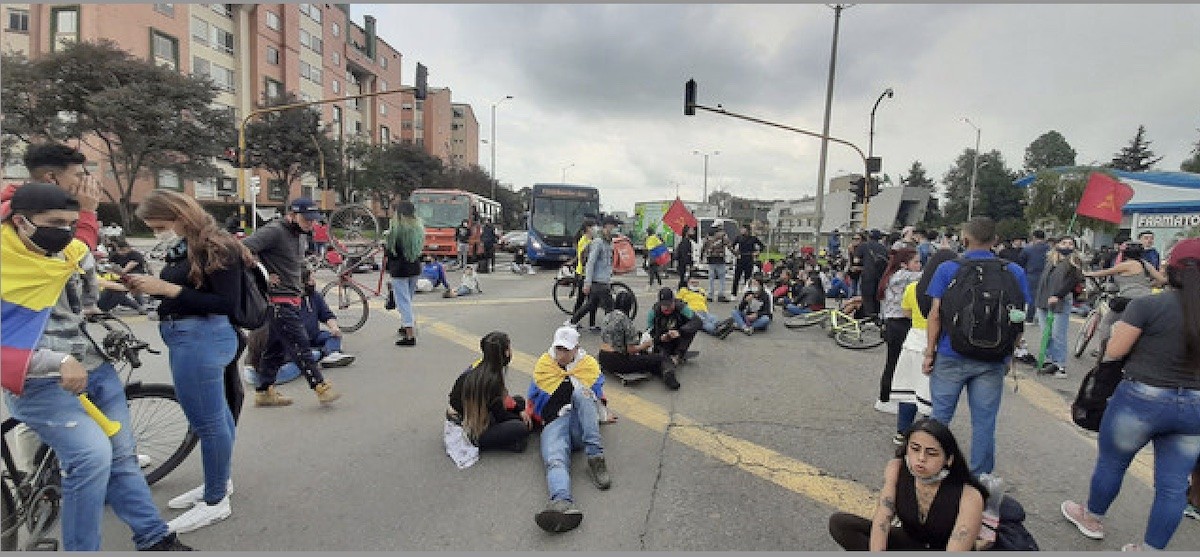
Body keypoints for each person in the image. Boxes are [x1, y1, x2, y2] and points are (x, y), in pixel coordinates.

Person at [1, 183, 192, 550]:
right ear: (22, 222)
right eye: (55, 222)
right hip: (40, 380)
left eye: (73, 222)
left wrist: (107, 296)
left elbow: (85, 303)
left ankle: (154, 537)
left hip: (93, 367)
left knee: (121, 457)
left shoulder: (74, 252)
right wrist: (58, 360)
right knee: (91, 457)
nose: (66, 231)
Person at [124, 190, 255, 533]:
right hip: (193, 337)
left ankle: (215, 501)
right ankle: (219, 484)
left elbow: (225, 303)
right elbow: (191, 288)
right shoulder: (189, 244)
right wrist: (149, 288)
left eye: (160, 225)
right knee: (217, 418)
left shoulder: (218, 246)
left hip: (202, 339)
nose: (157, 233)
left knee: (209, 423)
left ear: (180, 216)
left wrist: (168, 291)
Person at [1060, 237, 1200, 551]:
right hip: (1194, 408)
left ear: (1172, 270)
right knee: (1173, 487)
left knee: (1112, 463)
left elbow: (1113, 352)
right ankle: (1152, 550)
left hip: (1141, 400)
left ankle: (1091, 518)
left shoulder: (1149, 304)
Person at [923, 217, 1031, 478]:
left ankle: (931, 471)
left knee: (939, 419)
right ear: (995, 241)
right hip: (993, 359)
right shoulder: (1013, 271)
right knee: (984, 423)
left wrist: (929, 353)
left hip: (951, 353)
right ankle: (979, 480)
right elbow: (1018, 317)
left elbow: (935, 314)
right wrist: (1009, 354)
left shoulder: (949, 268)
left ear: (964, 238)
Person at [828, 418, 987, 551]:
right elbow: (882, 519)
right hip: (911, 542)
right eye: (915, 449)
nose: (921, 458)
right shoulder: (896, 468)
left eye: (931, 453)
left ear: (949, 459)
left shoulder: (969, 495)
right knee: (841, 524)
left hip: (944, 548)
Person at [243, 197, 340, 406]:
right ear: (292, 215)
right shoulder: (274, 231)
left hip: (292, 297)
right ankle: (320, 387)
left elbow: (295, 261)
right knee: (300, 343)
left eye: (313, 220)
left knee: (275, 350)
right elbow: (242, 249)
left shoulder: (300, 235)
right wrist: (262, 273)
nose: (310, 224)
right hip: (278, 300)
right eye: (306, 220)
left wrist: (306, 273)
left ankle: (263, 391)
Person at [527, 326, 613, 533]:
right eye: (558, 349)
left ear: (576, 348)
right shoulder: (544, 365)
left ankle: (596, 459)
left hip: (578, 425)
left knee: (582, 395)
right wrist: (527, 415)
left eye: (566, 350)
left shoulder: (588, 366)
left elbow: (596, 397)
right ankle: (562, 502)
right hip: (554, 422)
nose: (561, 354)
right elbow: (533, 398)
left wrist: (602, 413)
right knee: (555, 459)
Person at [891, 249, 958, 445]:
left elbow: (905, 312)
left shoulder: (914, 287)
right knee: (930, 395)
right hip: (934, 342)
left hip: (913, 340)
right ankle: (928, 435)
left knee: (908, 390)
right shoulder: (948, 291)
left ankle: (902, 432)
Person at [1, 143, 100, 250]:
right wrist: (86, 212)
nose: (85, 182)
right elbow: (74, 257)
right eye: (79, 176)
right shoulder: (18, 211)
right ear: (51, 178)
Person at [447, 332, 532, 453]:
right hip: (468, 427)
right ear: (506, 352)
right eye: (509, 347)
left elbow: (503, 400)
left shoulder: (484, 367)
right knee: (520, 428)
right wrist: (521, 417)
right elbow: (501, 415)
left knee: (519, 401)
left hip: (475, 413)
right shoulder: (492, 380)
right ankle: (497, 442)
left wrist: (520, 410)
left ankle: (511, 440)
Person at [1084, 242, 1166, 352]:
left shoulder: (1126, 264)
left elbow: (1105, 272)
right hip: (1148, 300)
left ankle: (1102, 349)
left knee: (1107, 322)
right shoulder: (1145, 264)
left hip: (1128, 299)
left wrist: (1087, 274)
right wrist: (1148, 285)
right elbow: (1162, 280)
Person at [875, 248, 922, 415]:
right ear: (904, 264)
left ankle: (889, 398)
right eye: (916, 262)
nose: (919, 265)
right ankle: (884, 399)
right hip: (898, 323)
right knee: (893, 364)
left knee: (895, 363)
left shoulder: (893, 275)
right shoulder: (902, 275)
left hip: (894, 323)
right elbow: (926, 277)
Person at [598, 290, 674, 388]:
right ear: (629, 306)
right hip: (617, 362)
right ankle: (670, 377)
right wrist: (645, 345)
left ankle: (662, 371)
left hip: (603, 357)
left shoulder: (607, 316)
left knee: (648, 361)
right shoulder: (627, 322)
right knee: (660, 358)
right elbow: (631, 350)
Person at [1033, 236, 1084, 378]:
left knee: (1058, 334)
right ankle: (1050, 360)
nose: (1067, 246)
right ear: (1057, 245)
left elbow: (1072, 281)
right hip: (1043, 299)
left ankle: (1060, 364)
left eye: (1070, 244)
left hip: (1061, 300)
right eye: (1064, 243)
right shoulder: (1051, 260)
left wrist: (1058, 295)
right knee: (1046, 333)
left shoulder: (1074, 262)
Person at [567, 215, 619, 333]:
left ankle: (572, 322)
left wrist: (612, 271)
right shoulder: (598, 242)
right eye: (614, 225)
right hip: (598, 281)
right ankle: (610, 331)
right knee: (609, 306)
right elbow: (590, 263)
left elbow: (607, 261)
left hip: (603, 279)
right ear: (607, 225)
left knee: (591, 304)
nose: (615, 228)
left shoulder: (608, 242)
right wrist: (587, 282)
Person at [385, 200, 425, 347]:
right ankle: (405, 326)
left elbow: (391, 252)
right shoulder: (418, 229)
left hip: (400, 270)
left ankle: (410, 334)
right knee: (408, 300)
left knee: (403, 303)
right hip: (414, 268)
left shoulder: (396, 230)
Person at [646, 287, 701, 379]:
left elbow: (697, 321)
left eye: (669, 304)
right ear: (660, 304)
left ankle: (678, 355)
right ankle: (666, 363)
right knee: (658, 353)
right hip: (663, 341)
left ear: (673, 301)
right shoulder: (653, 312)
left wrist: (680, 332)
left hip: (678, 338)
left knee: (690, 329)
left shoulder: (681, 307)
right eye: (664, 305)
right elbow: (649, 332)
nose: (667, 308)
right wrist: (660, 338)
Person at [676, 271, 736, 338]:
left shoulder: (702, 291)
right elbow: (677, 303)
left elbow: (704, 302)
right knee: (703, 321)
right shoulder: (683, 290)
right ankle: (717, 331)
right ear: (688, 283)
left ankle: (722, 326)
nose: (694, 284)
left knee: (713, 318)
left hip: (704, 311)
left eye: (696, 282)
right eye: (692, 282)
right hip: (692, 311)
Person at [853, 229, 890, 319]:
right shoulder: (883, 248)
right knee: (876, 297)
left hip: (867, 274)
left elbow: (856, 260)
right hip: (880, 276)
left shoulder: (863, 246)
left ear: (869, 237)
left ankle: (868, 316)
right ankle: (876, 315)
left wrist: (864, 262)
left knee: (867, 297)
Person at [1017, 230, 1050, 324]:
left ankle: (1029, 318)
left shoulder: (1028, 249)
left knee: (1032, 297)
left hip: (1032, 275)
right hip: (1047, 275)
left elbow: (1021, 261)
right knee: (1045, 296)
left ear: (1034, 237)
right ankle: (1044, 317)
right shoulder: (1050, 249)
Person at [730, 225, 765, 297]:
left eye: (743, 229)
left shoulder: (753, 238)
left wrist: (757, 252)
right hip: (740, 258)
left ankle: (747, 293)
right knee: (737, 277)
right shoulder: (738, 237)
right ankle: (733, 293)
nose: (742, 230)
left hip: (749, 258)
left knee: (748, 277)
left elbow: (762, 246)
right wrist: (735, 253)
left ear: (748, 230)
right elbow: (731, 246)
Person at [701, 226, 731, 302]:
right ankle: (721, 295)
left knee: (711, 278)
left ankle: (710, 295)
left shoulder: (708, 235)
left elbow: (704, 246)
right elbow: (728, 245)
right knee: (722, 278)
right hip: (720, 258)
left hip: (711, 258)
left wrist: (701, 256)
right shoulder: (723, 235)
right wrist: (736, 253)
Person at [674, 225, 696, 289]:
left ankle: (681, 292)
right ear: (687, 232)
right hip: (684, 265)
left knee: (684, 281)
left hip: (683, 264)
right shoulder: (686, 242)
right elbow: (685, 254)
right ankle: (681, 293)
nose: (693, 231)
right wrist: (688, 265)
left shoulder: (684, 241)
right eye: (691, 230)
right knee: (684, 281)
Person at [644, 225, 665, 291]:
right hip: (656, 258)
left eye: (647, 232)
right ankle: (660, 284)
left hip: (653, 258)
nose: (646, 233)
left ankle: (649, 285)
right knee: (655, 272)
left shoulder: (651, 239)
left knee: (652, 273)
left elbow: (648, 248)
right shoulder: (655, 238)